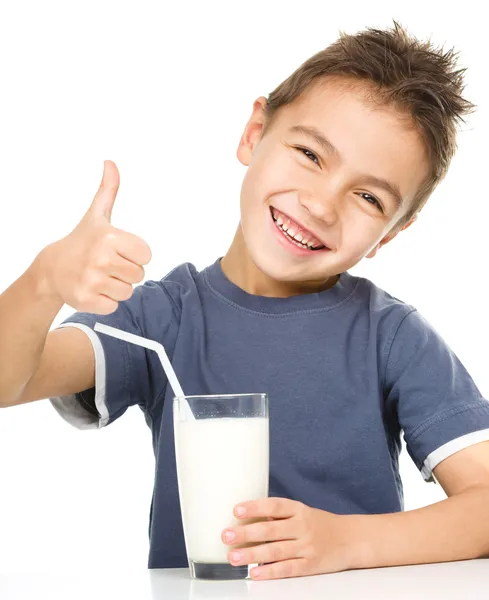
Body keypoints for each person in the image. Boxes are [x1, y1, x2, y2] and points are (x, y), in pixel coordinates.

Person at [1, 20, 489, 581]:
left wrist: (346, 542)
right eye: (309, 153)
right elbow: (11, 379)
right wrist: (42, 283)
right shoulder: (162, 319)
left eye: (368, 197)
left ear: (390, 235)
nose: (321, 205)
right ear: (255, 132)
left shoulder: (392, 336)